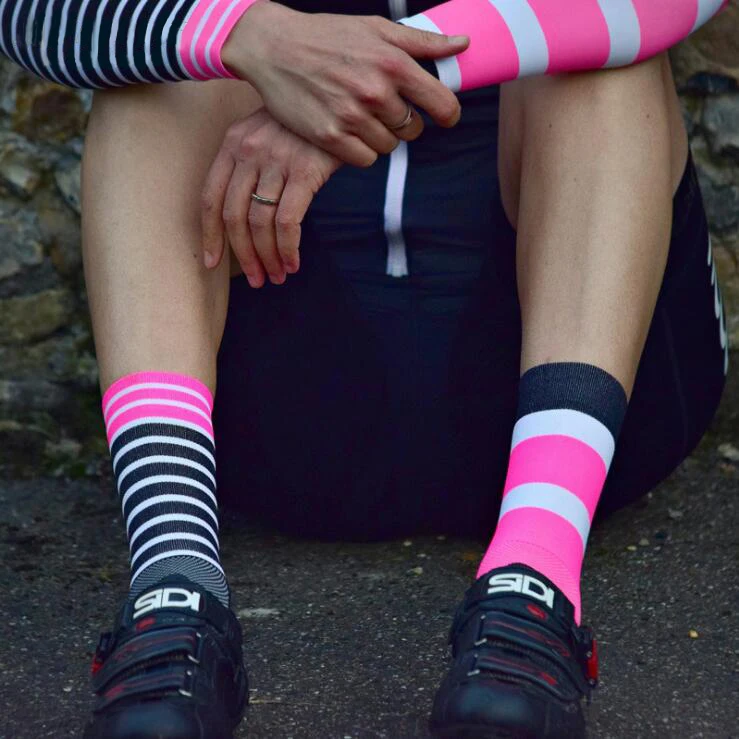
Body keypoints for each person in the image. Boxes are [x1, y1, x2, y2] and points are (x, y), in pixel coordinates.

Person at [1, 1, 729, 737]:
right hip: (282, 387)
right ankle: (173, 587)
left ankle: (535, 585)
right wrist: (253, 39)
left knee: (601, 53)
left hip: (574, 392)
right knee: (164, 61)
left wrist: (371, 79)